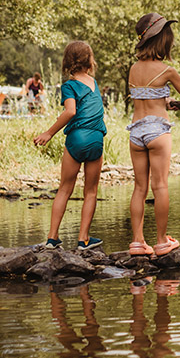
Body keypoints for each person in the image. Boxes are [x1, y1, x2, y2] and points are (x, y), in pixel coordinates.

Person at [126, 12, 180, 257]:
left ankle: (137, 242)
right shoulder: (168, 71)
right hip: (158, 131)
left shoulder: (133, 69)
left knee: (139, 188)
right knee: (159, 186)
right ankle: (160, 241)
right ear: (162, 41)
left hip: (136, 132)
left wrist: (165, 101)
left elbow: (145, 95)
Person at [33, 40, 107, 250]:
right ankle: (84, 239)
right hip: (96, 138)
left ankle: (52, 238)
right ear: (90, 61)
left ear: (67, 62)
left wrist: (49, 133)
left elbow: (71, 111)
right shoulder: (94, 83)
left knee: (65, 189)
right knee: (90, 192)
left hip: (77, 138)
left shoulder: (69, 86)